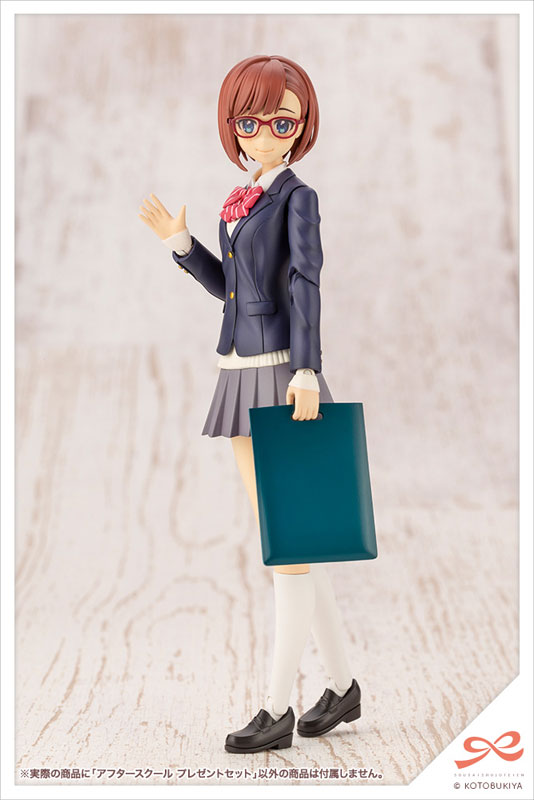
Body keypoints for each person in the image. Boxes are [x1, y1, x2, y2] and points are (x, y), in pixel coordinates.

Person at [139, 54, 361, 753]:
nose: (265, 134)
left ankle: (276, 707)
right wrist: (182, 245)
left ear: (302, 127)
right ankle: (343, 687)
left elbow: (305, 285)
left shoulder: (298, 197)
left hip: (281, 375)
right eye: (250, 121)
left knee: (285, 545)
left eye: (282, 122)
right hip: (237, 370)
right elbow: (232, 289)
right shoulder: (241, 199)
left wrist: (308, 369)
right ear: (233, 127)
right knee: (288, 540)